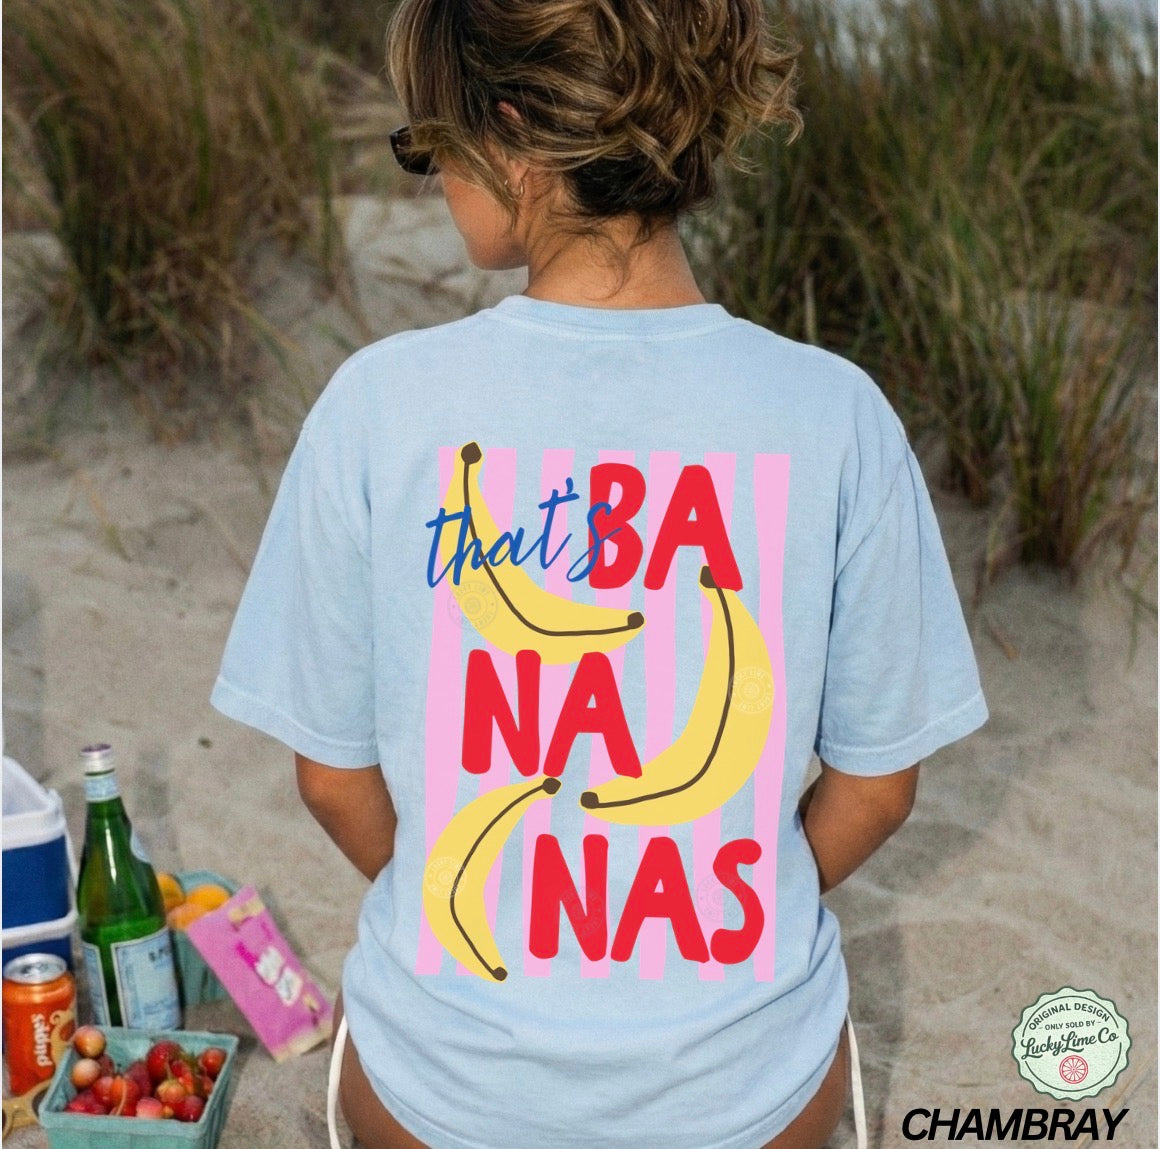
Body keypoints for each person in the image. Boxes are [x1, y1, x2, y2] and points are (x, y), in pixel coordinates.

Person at [210, 0, 988, 1146]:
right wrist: (695, 930)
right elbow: (876, 789)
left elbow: (331, 780)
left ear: (512, 136)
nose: (427, 175)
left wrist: (494, 906)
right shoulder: (835, 416)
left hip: (448, 1092)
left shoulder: (379, 405)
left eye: (426, 142)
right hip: (737, 1093)